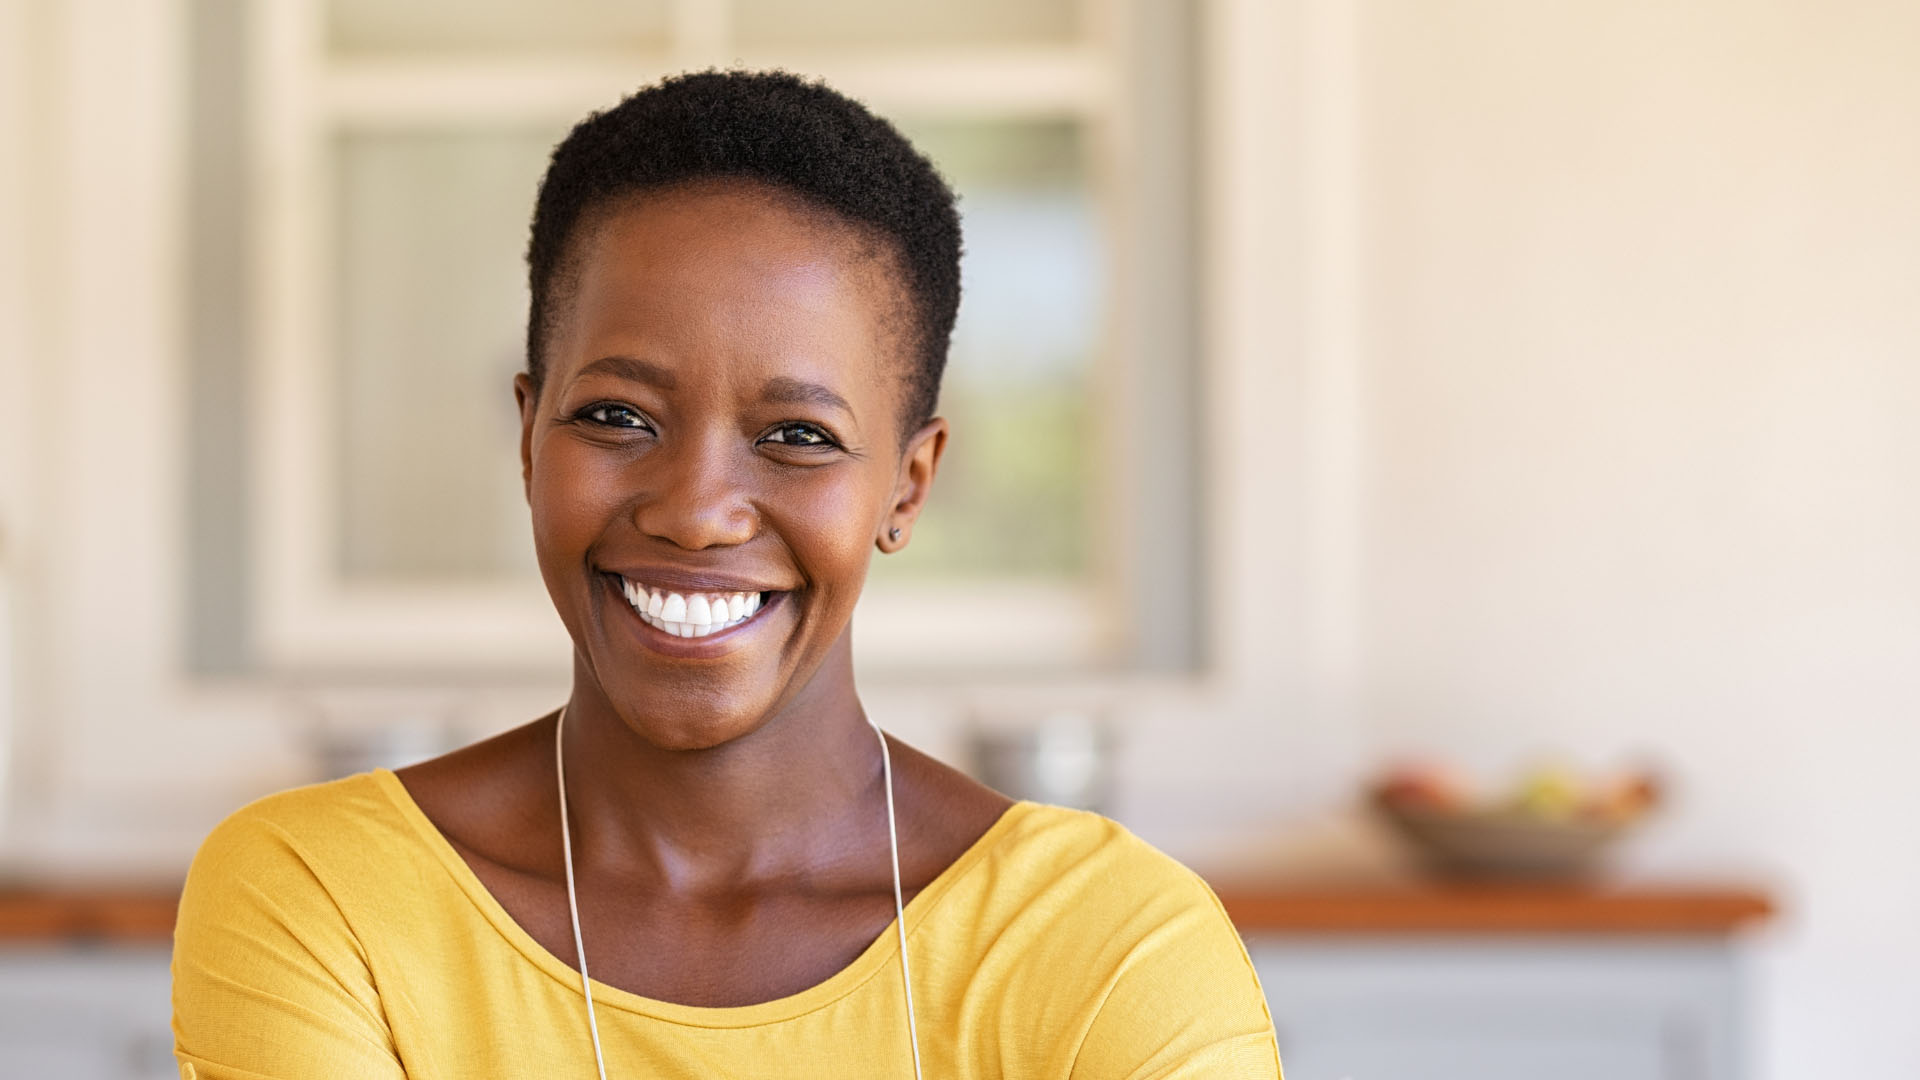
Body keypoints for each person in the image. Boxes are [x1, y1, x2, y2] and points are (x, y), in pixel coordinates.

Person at [170, 70, 1282, 1079]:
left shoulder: (1110, 947)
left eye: (796, 434)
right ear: (527, 436)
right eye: (616, 416)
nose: (696, 512)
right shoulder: (323, 899)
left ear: (907, 484)